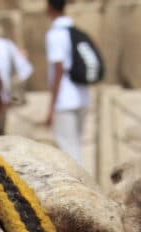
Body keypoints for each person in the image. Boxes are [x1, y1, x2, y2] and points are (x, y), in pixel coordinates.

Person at [44, 0, 90, 165]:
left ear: (49, 7)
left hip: (65, 101)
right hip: (83, 97)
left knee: (69, 152)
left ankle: (81, 189)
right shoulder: (76, 32)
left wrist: (51, 108)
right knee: (75, 146)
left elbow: (59, 69)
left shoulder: (55, 34)